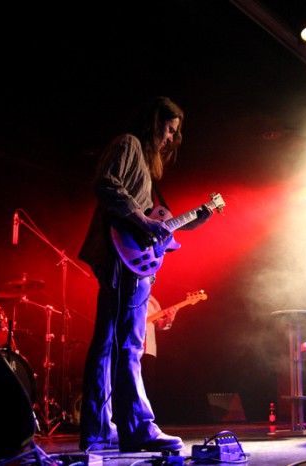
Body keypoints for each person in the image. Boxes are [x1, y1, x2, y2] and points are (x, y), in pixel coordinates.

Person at [78, 96, 211, 452]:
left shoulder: (143, 162)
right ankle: (137, 426)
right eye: (168, 129)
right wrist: (141, 220)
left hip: (122, 256)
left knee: (108, 343)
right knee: (129, 343)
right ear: (154, 122)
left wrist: (191, 222)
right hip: (120, 258)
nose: (169, 138)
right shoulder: (129, 144)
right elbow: (106, 185)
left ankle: (98, 429)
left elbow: (155, 225)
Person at [141, 294, 175, 401]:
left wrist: (169, 319)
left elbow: (159, 325)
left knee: (147, 385)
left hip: (148, 350)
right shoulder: (124, 291)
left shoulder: (153, 301)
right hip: (127, 345)